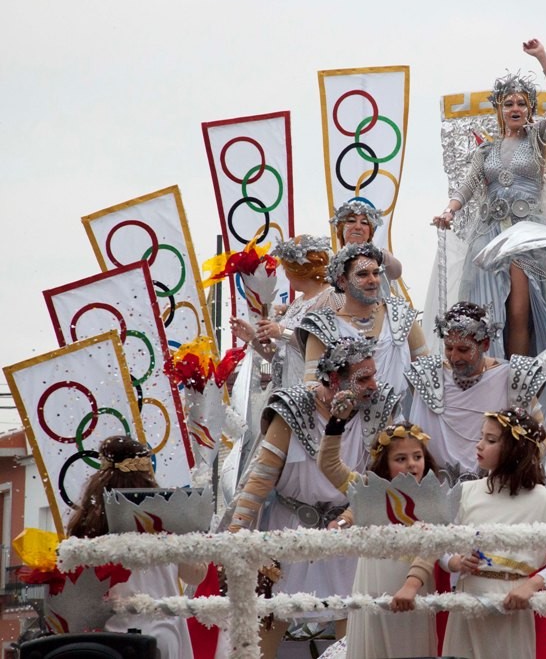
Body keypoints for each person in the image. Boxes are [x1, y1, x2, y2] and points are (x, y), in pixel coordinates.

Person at [228, 336, 398, 659]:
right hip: (288, 531)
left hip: (348, 533)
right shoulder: (292, 407)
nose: (374, 385)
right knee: (267, 623)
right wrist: (234, 538)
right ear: (334, 379)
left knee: (354, 632)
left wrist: (349, 518)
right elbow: (260, 480)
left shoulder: (377, 409)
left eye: (374, 374)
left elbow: (379, 482)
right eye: (364, 378)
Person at [393, 408, 546, 659]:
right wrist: (455, 561)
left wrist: (531, 585)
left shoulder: (541, 499)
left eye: (491, 440)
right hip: (468, 600)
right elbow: (439, 541)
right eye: (481, 437)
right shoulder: (466, 491)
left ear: (514, 450)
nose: (479, 445)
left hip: (511, 606)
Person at [432, 39, 546, 359]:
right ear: (500, 111)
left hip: (524, 233)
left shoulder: (537, 139)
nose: (515, 108)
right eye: (509, 104)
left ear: (530, 109)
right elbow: (466, 187)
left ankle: (518, 376)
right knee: (490, 312)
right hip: (490, 234)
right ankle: (490, 372)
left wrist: (543, 58)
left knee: (521, 310)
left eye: (521, 103)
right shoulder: (486, 151)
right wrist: (449, 211)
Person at [67, 436, 205, 659]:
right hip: (162, 631)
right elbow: (195, 575)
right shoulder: (164, 517)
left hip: (107, 637)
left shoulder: (89, 521)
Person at [317, 421, 439, 658]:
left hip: (411, 591)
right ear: (385, 465)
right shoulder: (370, 493)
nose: (411, 464)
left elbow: (432, 548)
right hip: (371, 586)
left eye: (417, 456)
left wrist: (410, 586)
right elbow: (330, 466)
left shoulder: (433, 500)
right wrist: (336, 423)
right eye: (401, 459)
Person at [406, 301, 546, 479]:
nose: (455, 357)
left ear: (485, 344)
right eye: (449, 348)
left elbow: (541, 442)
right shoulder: (426, 376)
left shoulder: (515, 379)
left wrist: (511, 464)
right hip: (436, 492)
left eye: (464, 349)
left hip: (494, 491)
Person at [299, 242, 427, 405]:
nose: (373, 280)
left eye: (376, 273)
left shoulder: (400, 315)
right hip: (345, 423)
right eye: (362, 274)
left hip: (397, 424)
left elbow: (426, 374)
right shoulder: (324, 326)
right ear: (342, 280)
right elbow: (311, 385)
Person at [230, 235, 335, 389]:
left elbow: (323, 347)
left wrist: (281, 332)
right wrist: (254, 339)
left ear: (300, 271)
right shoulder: (298, 302)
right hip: (287, 391)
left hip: (313, 392)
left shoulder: (329, 297)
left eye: (287, 270)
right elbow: (280, 359)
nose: (285, 275)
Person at [330, 199, 403, 293]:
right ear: (341, 227)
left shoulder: (380, 256)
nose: (358, 227)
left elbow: (396, 272)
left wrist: (382, 257)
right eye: (351, 221)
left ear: (370, 231)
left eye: (364, 223)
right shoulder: (333, 262)